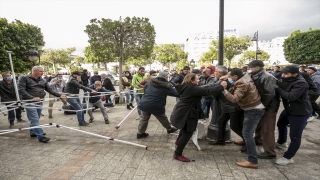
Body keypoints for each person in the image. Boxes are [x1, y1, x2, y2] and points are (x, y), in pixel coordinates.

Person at [170, 73, 226, 162]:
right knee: (188, 132)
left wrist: (218, 83)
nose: (198, 80)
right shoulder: (192, 88)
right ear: (191, 80)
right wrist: (221, 87)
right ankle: (177, 154)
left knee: (184, 128)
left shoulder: (187, 86)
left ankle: (178, 141)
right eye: (196, 79)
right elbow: (207, 91)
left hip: (184, 111)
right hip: (188, 112)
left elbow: (205, 88)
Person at [222, 68, 265, 169]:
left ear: (235, 76)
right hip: (251, 108)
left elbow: (234, 98)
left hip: (253, 110)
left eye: (230, 76)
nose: (229, 78)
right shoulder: (244, 77)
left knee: (247, 134)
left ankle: (252, 161)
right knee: (246, 132)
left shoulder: (242, 83)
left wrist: (223, 90)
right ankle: (246, 142)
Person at [274, 65, 312, 165]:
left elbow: (291, 96)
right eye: (282, 73)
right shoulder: (286, 79)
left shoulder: (301, 83)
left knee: (295, 136)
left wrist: (277, 88)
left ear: (295, 74)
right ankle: (282, 142)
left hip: (300, 112)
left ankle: (288, 157)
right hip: (289, 109)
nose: (283, 75)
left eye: (286, 74)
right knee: (281, 124)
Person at [18, 66, 66, 143]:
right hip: (29, 102)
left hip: (39, 101)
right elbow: (21, 90)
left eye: (42, 71)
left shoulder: (42, 80)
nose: (42, 73)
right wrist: (32, 97)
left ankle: (33, 132)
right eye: (41, 71)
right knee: (34, 118)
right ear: (34, 71)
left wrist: (59, 95)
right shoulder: (24, 78)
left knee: (36, 118)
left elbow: (49, 89)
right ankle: (40, 136)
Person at [247, 60, 280, 160]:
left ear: (257, 68)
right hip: (261, 105)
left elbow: (269, 94)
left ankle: (270, 152)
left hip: (269, 107)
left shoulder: (268, 77)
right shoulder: (255, 75)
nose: (249, 69)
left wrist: (261, 106)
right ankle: (258, 140)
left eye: (250, 67)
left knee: (267, 129)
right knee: (259, 125)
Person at [208, 66, 244, 149]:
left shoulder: (224, 81)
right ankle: (220, 140)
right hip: (227, 107)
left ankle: (247, 142)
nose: (215, 73)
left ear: (220, 73)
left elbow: (213, 90)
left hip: (232, 107)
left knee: (235, 126)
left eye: (216, 71)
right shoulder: (221, 80)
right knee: (221, 122)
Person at [137, 71, 180, 139]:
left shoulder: (149, 82)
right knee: (162, 117)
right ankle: (169, 129)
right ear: (165, 77)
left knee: (144, 119)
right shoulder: (166, 86)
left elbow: (146, 89)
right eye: (167, 77)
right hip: (156, 105)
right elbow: (177, 94)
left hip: (145, 103)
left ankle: (140, 133)